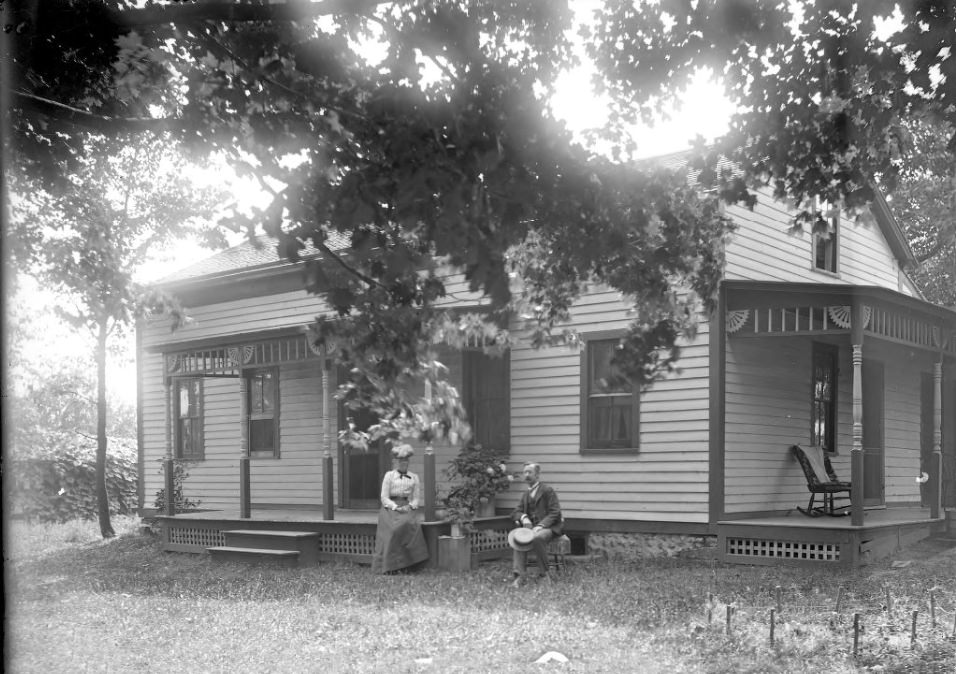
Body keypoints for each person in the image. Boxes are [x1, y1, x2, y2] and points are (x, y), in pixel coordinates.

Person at [371, 443, 430, 574]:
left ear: (408, 461)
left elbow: (416, 498)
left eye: (405, 460)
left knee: (409, 525)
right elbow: (384, 497)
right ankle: (390, 566)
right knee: (393, 529)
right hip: (390, 507)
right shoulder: (389, 475)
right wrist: (396, 507)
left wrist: (410, 506)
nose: (403, 462)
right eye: (400, 460)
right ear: (396, 462)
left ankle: (407, 565)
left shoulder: (414, 477)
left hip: (407, 507)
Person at [508, 461, 563, 587]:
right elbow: (515, 512)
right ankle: (520, 576)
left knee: (537, 538)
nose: (526, 475)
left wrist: (540, 526)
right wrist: (524, 517)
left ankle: (544, 575)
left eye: (530, 472)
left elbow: (555, 512)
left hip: (549, 528)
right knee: (518, 538)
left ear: (537, 475)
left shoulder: (547, 490)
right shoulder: (526, 494)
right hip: (531, 528)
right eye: (525, 472)